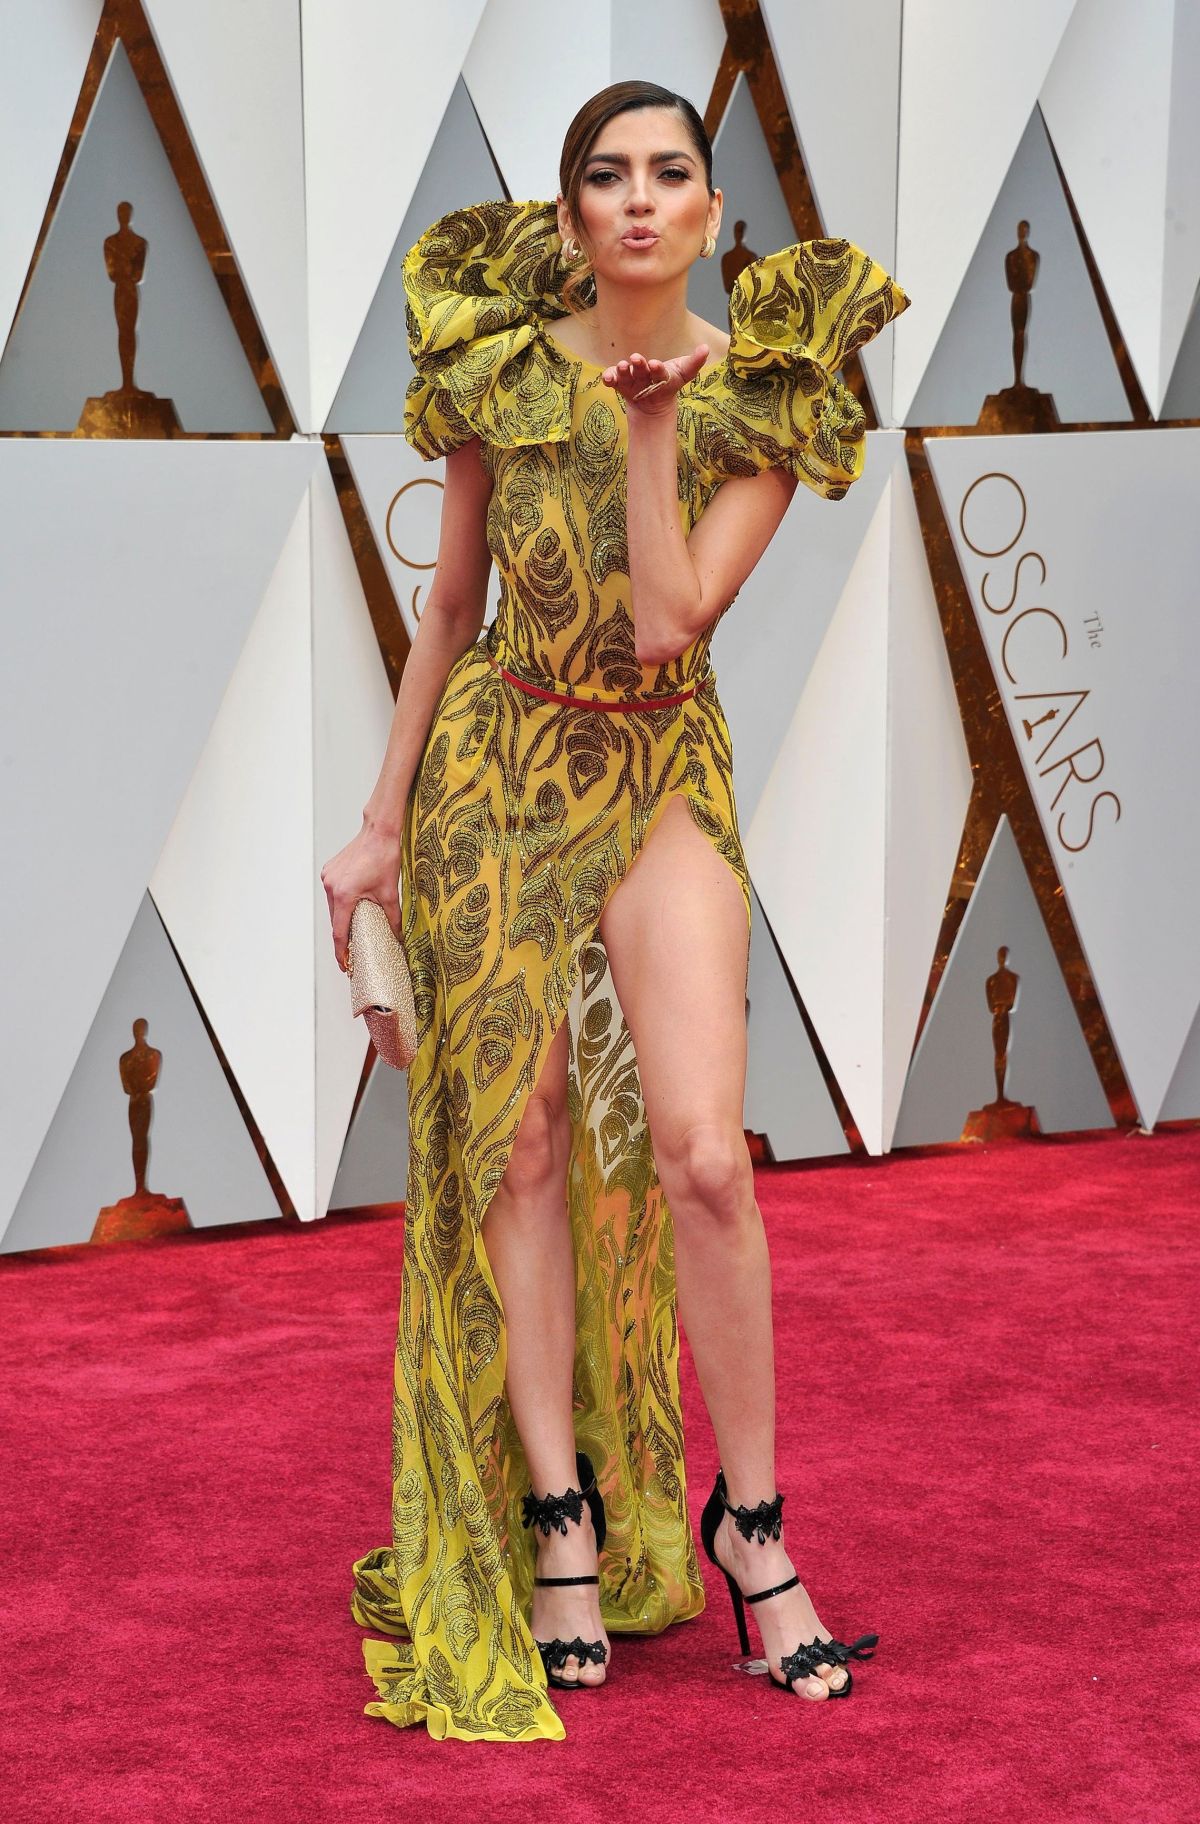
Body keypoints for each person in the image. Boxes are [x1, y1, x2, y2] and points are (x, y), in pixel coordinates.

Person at [320, 78, 910, 1743]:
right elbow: (450, 608)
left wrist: (653, 429)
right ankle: (558, 1513)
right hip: (497, 767)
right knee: (519, 1142)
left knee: (706, 1157)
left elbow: (666, 626)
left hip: (657, 769)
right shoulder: (502, 366)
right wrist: (379, 827)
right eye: (605, 175)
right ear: (574, 215)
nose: (638, 198)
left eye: (670, 173)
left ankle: (753, 1526)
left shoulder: (770, 392)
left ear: (712, 214)